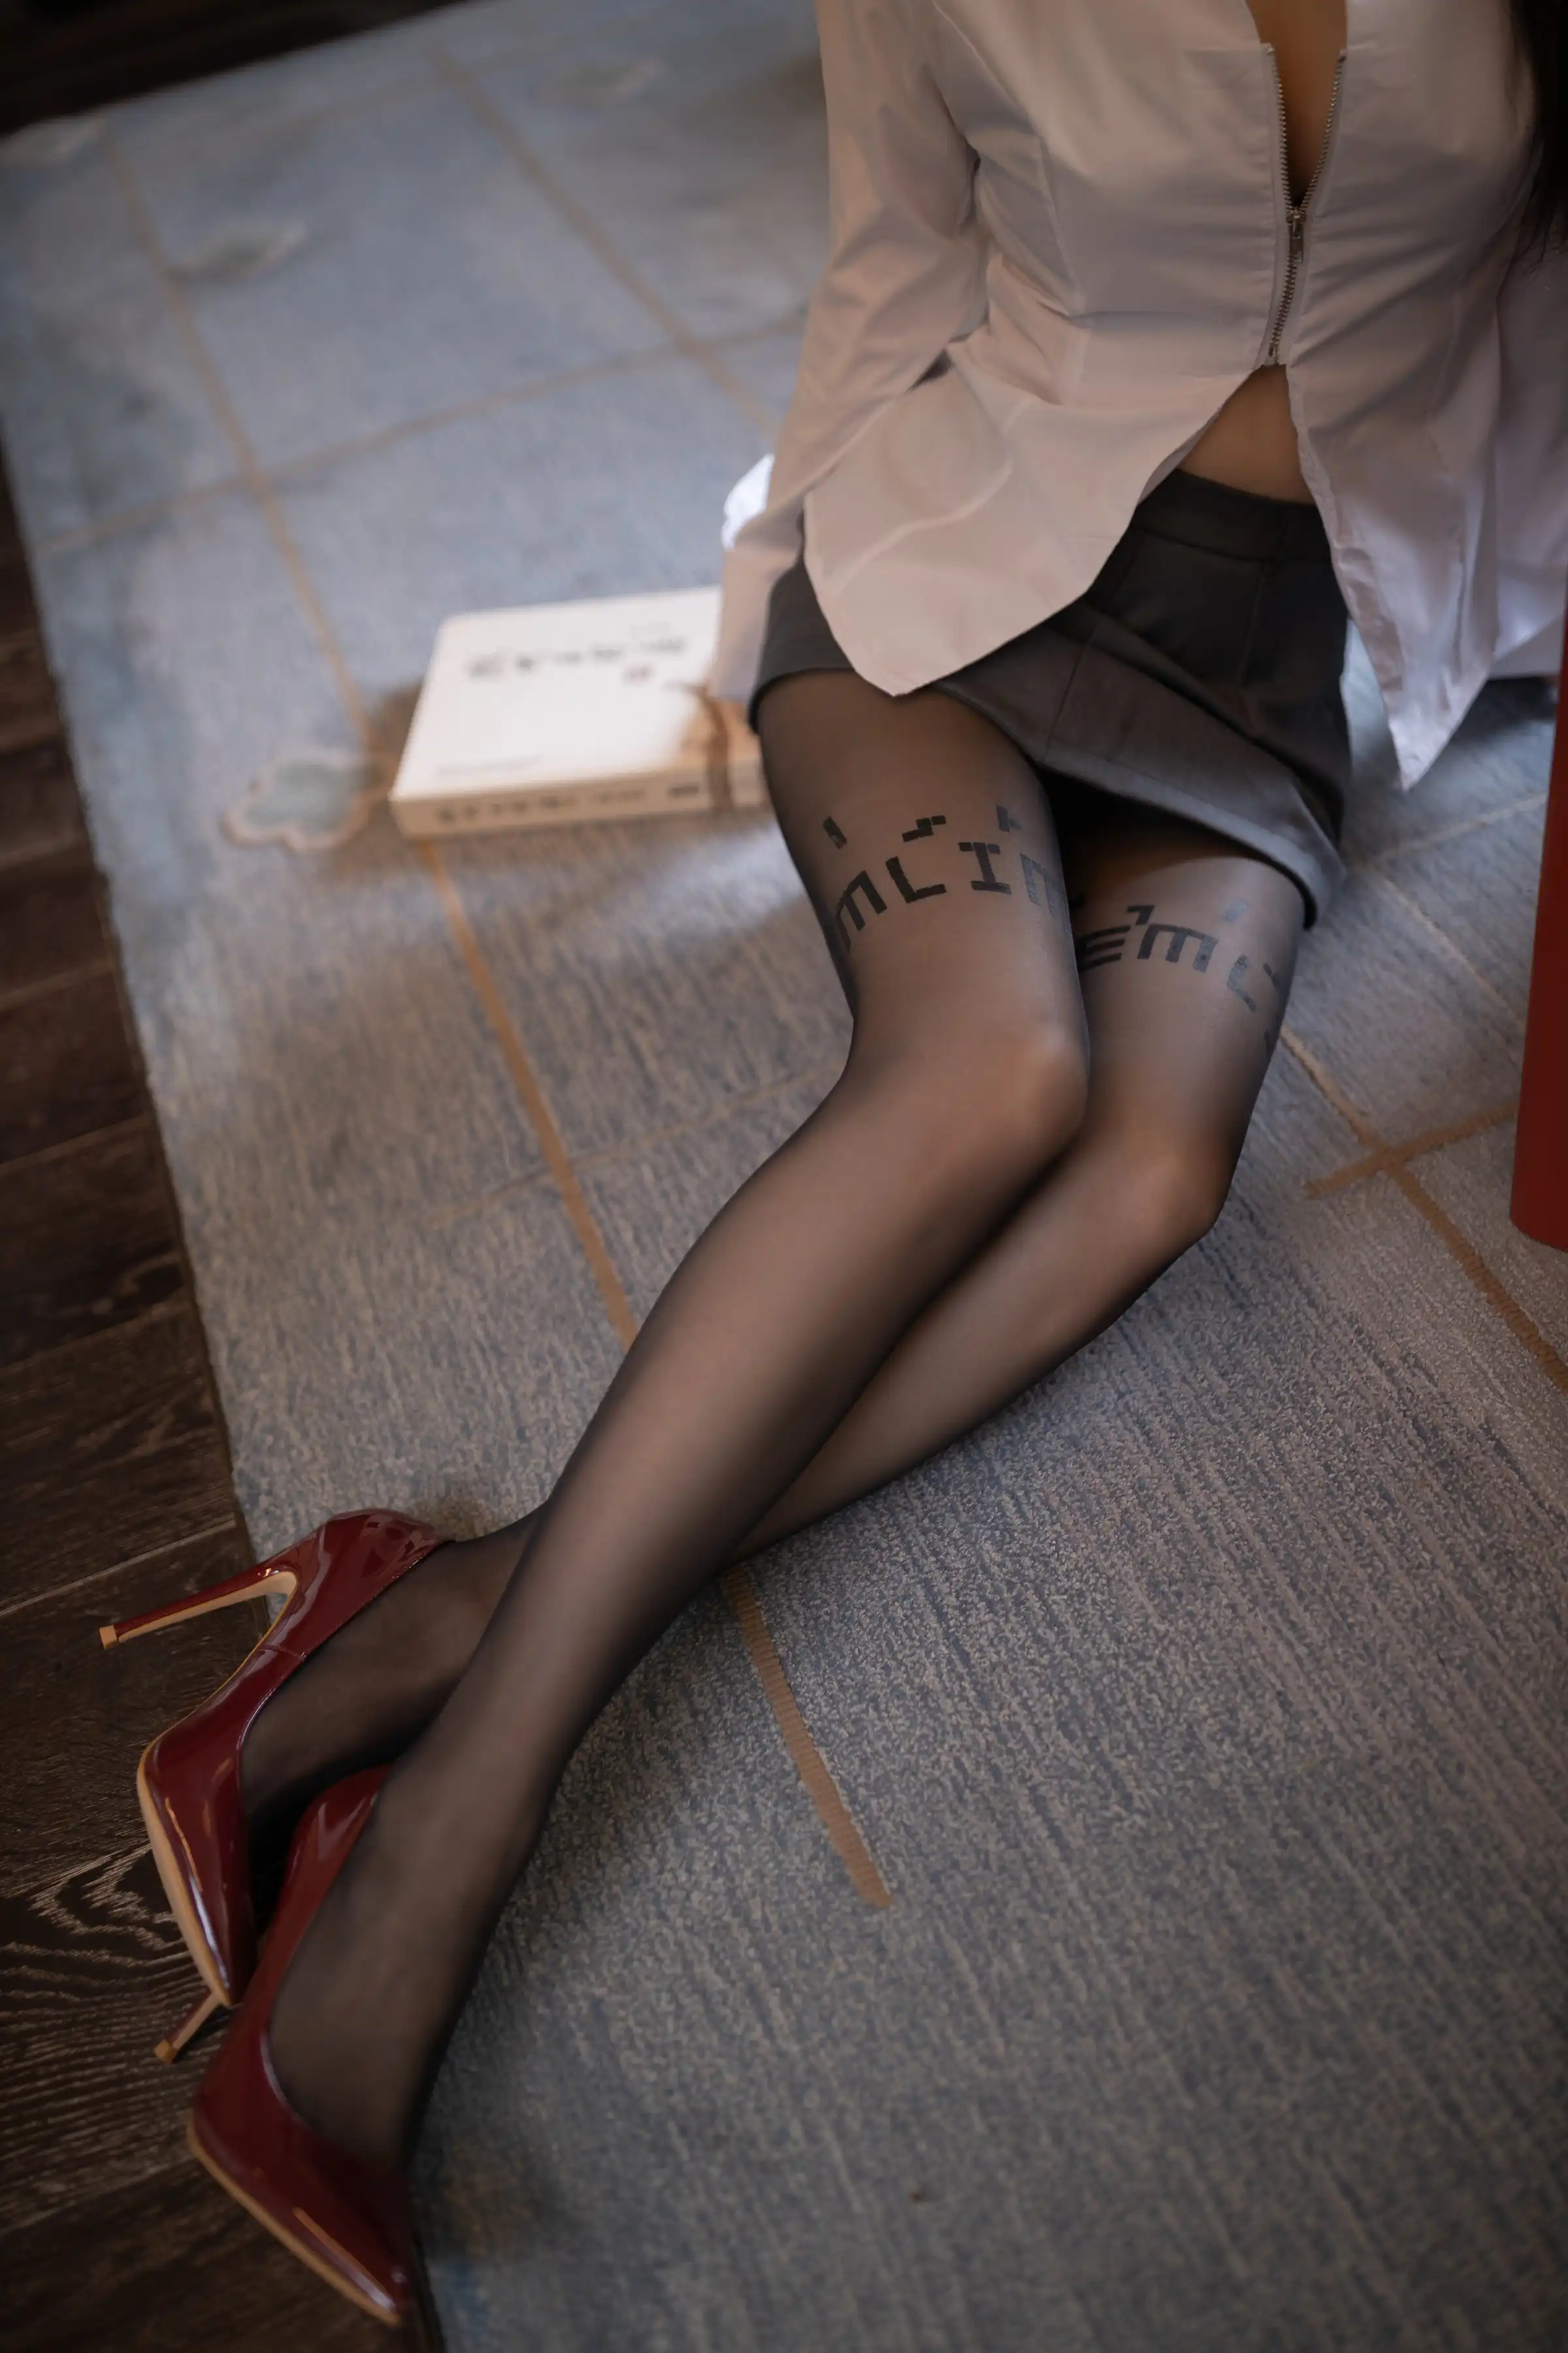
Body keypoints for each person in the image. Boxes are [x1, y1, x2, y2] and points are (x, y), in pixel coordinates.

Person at [111, 0, 1566, 2327]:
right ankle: (439, 1849)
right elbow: (893, 263)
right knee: (991, 1080)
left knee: (1153, 1180)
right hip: (946, 582)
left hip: (1269, 678)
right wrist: (756, 631)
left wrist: (1491, 638)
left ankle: (437, 1615)